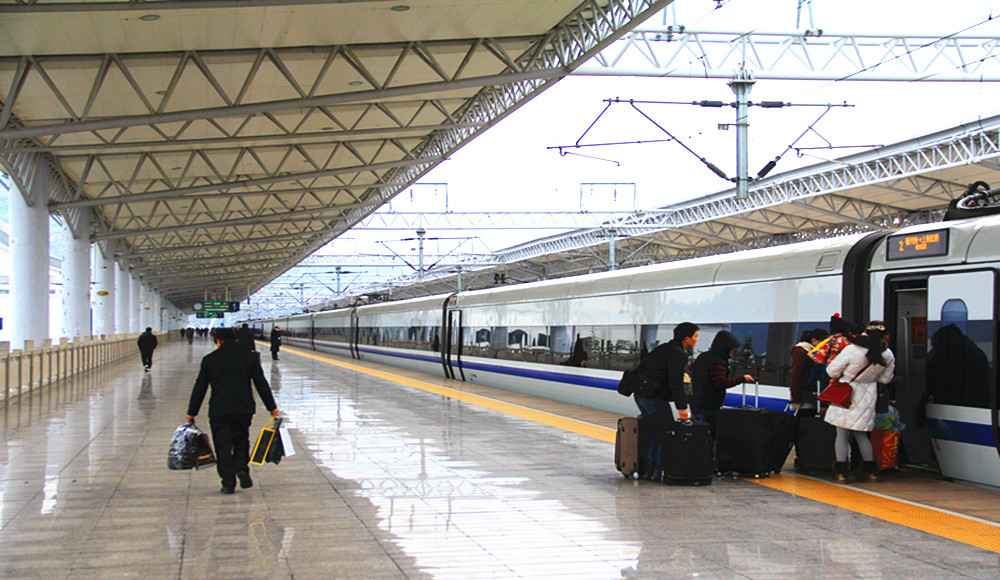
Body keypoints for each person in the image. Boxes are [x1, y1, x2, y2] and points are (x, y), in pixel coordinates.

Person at [186, 327, 279, 494]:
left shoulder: (210, 359)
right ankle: (241, 468)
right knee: (242, 440)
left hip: (219, 410)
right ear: (236, 340)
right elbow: (261, 384)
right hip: (243, 409)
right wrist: (272, 407)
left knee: (222, 445)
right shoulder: (249, 358)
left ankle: (228, 482)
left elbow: (200, 387)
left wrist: (192, 411)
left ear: (218, 341)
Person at [824, 321, 895, 483]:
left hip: (847, 393)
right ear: (885, 335)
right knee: (862, 435)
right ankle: (870, 472)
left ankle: (841, 472)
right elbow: (885, 379)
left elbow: (832, 370)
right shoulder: (888, 354)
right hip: (869, 394)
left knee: (841, 434)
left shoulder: (852, 349)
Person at [633, 322, 699, 481]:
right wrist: (682, 408)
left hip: (641, 395)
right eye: (695, 337)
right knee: (667, 432)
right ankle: (660, 471)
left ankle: (650, 471)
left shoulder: (663, 348)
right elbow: (675, 382)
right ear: (686, 338)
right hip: (653, 397)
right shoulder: (678, 354)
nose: (697, 340)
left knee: (656, 433)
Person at [689, 330, 754, 432]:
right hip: (709, 405)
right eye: (732, 350)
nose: (733, 352)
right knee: (709, 435)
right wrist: (742, 378)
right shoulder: (718, 362)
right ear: (726, 348)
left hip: (695, 402)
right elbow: (721, 383)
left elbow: (691, 367)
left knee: (696, 434)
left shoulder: (703, 356)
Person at [788, 328, 828, 416]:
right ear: (813, 340)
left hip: (811, 392)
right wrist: (795, 395)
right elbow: (796, 374)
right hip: (804, 394)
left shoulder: (813, 352)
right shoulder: (801, 352)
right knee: (804, 417)